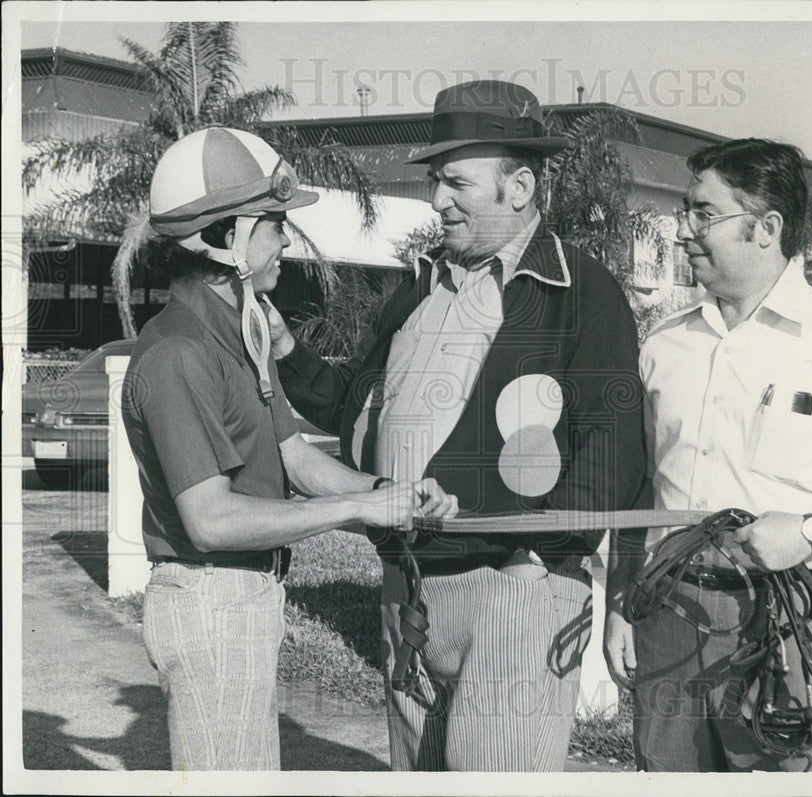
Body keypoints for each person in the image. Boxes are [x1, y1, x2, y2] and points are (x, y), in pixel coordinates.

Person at [266, 80, 647, 771]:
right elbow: (354, 403)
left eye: (455, 183)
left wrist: (532, 560)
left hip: (513, 589)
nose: (437, 200)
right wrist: (287, 354)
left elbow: (612, 455)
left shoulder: (583, 294)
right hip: (406, 585)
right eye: (435, 181)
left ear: (521, 185)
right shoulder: (419, 286)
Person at [603, 138, 812, 772]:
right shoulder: (664, 345)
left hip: (798, 618)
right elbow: (638, 489)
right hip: (670, 617)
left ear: (766, 228)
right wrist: (623, 604)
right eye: (685, 211)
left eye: (703, 213)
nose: (683, 231)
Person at [120, 127, 457, 771]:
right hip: (211, 600)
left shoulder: (240, 331)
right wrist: (358, 513)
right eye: (273, 223)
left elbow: (294, 458)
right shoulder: (178, 354)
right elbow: (212, 521)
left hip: (246, 599)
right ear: (227, 238)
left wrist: (389, 495)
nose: (285, 241)